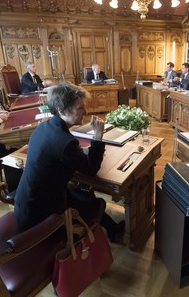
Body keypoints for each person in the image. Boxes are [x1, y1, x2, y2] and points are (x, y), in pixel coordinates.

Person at [14, 83, 125, 241]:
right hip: (40, 214)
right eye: (80, 107)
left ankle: (112, 229)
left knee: (84, 195)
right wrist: (98, 135)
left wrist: (80, 153)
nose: (85, 112)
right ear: (61, 110)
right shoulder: (65, 142)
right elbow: (92, 169)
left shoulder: (45, 127)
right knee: (94, 203)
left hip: (26, 203)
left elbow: (58, 155)